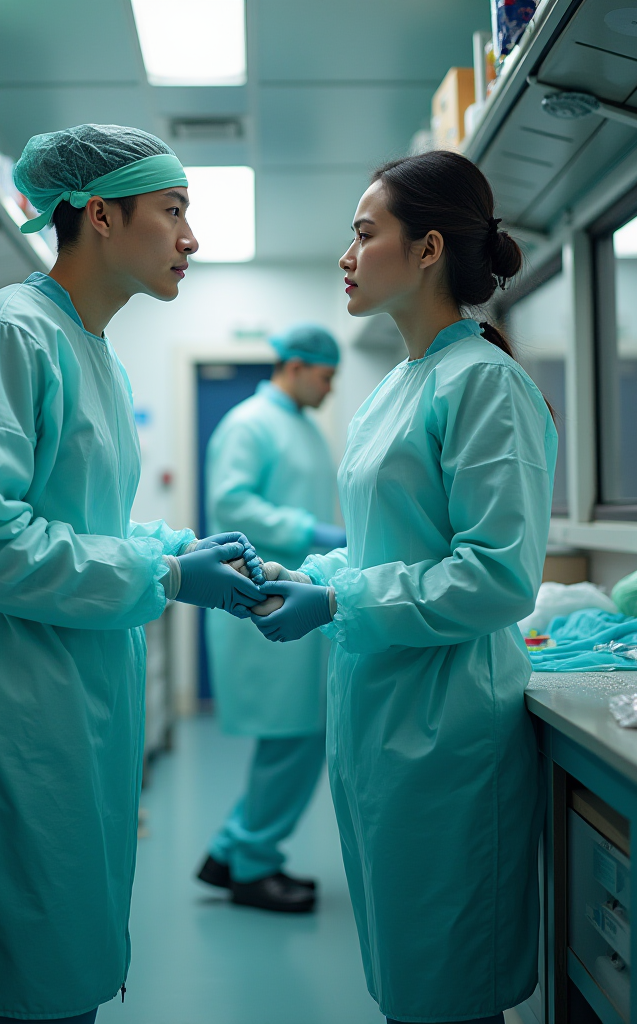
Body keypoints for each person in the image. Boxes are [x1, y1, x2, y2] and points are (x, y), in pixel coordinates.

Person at [0, 124, 265, 1024]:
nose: (191, 238)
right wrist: (166, 579)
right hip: (20, 699)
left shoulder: (93, 351)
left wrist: (170, 549)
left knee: (67, 957)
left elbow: (81, 525)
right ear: (101, 215)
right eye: (174, 210)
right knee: (28, 976)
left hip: (77, 694)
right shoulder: (8, 332)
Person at [252, 150, 557, 1023]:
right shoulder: (394, 386)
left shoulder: (487, 386)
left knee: (448, 990)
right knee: (409, 981)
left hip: (449, 725)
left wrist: (343, 600)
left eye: (362, 234)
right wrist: (302, 575)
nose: (346, 256)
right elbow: (384, 546)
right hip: (379, 715)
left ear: (427, 250)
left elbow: (498, 576)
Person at [196, 324, 344, 913]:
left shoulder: (304, 429)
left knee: (300, 735)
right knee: (292, 736)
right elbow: (231, 505)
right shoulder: (250, 423)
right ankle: (252, 866)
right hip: (261, 600)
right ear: (296, 365)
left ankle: (233, 850)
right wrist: (313, 531)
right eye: (327, 376)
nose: (331, 389)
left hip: (294, 595)